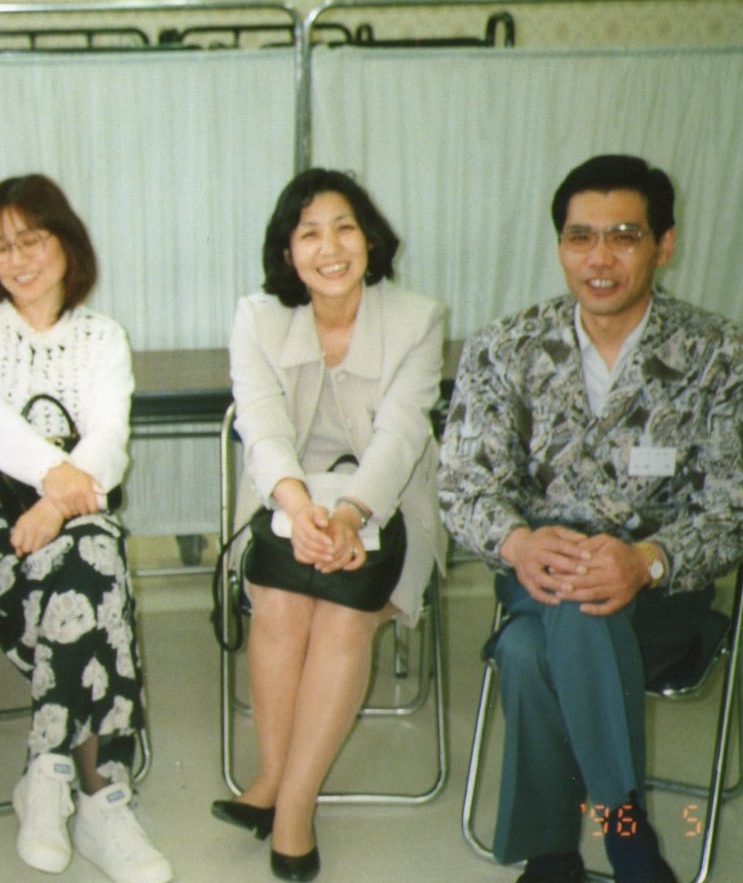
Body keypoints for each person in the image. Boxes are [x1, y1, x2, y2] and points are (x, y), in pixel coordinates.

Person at [438, 154, 743, 883]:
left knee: (525, 653)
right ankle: (626, 835)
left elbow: (732, 505)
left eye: (623, 236)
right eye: (580, 238)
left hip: (662, 596)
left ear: (663, 244)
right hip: (534, 577)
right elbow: (460, 484)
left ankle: (552, 857)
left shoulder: (720, 356)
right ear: (560, 247)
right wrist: (517, 541)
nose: (599, 259)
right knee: (571, 602)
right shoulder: (504, 348)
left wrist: (645, 560)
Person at [0, 174, 172, 883]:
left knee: (88, 558)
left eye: (31, 239)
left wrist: (54, 505)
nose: (16, 258)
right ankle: (103, 795)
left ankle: (49, 773)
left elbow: (109, 443)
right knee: (97, 577)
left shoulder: (102, 337)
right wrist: (56, 484)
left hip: (68, 516)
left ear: (67, 242)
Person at [213, 168, 447, 882]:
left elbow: (400, 437)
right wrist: (297, 507)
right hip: (285, 501)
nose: (330, 246)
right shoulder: (256, 318)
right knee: (282, 605)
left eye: (344, 227)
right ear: (287, 252)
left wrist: (349, 514)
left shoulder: (418, 318)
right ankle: (271, 776)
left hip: (385, 503)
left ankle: (292, 804)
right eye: (308, 232)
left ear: (370, 240)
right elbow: (260, 427)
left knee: (343, 615)